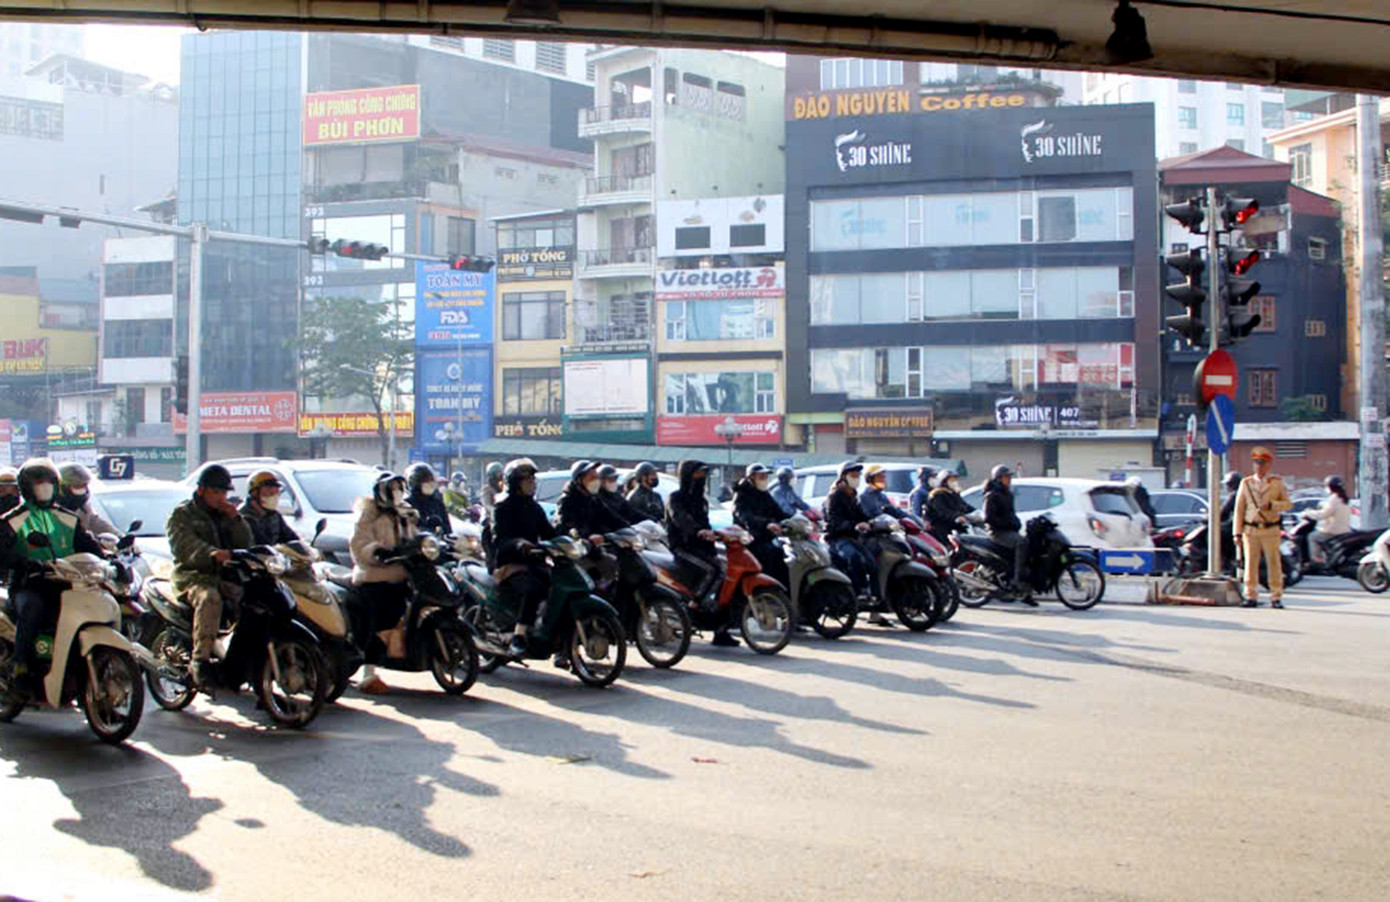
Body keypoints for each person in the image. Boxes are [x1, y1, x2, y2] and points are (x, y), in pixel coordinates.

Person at [0, 459, 105, 700]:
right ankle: (21, 666)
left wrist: (110, 560)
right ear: (27, 487)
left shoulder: (68, 518)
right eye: (39, 484)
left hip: (67, 584)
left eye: (48, 483)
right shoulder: (13, 520)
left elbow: (88, 545)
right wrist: (23, 562)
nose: (44, 489)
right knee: (33, 609)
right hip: (29, 585)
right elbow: (2, 552)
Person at [166, 464, 253, 689]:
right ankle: (200, 662)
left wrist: (236, 520)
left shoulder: (225, 515)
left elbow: (246, 544)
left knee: (255, 602)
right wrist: (212, 554)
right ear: (202, 490)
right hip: (193, 577)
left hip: (226, 576)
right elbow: (184, 546)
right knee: (210, 599)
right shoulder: (183, 514)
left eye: (223, 493)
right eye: (215, 492)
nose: (220, 498)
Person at [347, 472, 419, 693]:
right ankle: (368, 675)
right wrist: (378, 552)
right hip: (375, 577)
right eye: (393, 488)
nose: (397, 492)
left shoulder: (406, 512)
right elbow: (359, 544)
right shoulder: (369, 514)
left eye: (400, 487)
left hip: (403, 574)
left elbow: (415, 536)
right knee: (377, 624)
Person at [490, 459, 556, 657]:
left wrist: (567, 540)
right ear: (515, 482)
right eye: (527, 479)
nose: (532, 483)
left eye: (533, 479)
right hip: (510, 564)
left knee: (557, 584)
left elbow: (548, 532)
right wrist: (520, 544)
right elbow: (500, 539)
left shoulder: (534, 508)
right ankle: (519, 635)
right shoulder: (502, 507)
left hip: (534, 561)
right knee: (534, 589)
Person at [668, 459, 736, 646]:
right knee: (714, 569)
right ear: (688, 475)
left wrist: (718, 536)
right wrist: (697, 530)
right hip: (684, 548)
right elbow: (680, 518)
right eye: (698, 474)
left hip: (702, 547)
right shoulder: (676, 498)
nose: (702, 477)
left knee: (728, 576)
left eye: (704, 474)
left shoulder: (702, 500)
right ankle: (694, 605)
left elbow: (707, 524)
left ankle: (721, 630)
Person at [1233, 447, 1293, 608]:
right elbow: (1239, 509)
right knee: (1250, 564)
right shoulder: (1246, 483)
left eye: (1263, 463)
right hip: (1251, 529)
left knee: (1274, 563)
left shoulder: (1277, 483)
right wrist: (1237, 533)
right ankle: (1250, 595)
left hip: (1270, 528)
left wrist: (1273, 505)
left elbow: (1287, 504)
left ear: (1269, 465)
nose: (1259, 466)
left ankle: (1276, 596)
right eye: (1257, 463)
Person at [823, 461, 877, 612]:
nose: (857, 478)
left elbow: (862, 515)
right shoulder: (834, 496)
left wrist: (870, 523)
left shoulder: (853, 495)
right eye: (853, 475)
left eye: (858, 475)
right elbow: (834, 521)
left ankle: (873, 595)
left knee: (872, 562)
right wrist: (853, 525)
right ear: (844, 477)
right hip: (837, 539)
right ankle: (858, 592)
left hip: (853, 538)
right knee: (853, 558)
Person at [733, 463, 790, 590]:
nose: (764, 479)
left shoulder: (764, 494)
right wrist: (766, 524)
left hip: (766, 538)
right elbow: (745, 516)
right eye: (761, 476)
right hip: (750, 540)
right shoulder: (741, 495)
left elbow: (778, 512)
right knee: (773, 555)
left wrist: (796, 519)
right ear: (751, 478)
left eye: (765, 476)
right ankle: (772, 591)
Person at [983, 464, 1033, 604]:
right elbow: (990, 519)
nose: (1009, 479)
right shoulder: (992, 495)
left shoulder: (1007, 494)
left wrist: (1016, 523)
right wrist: (1008, 524)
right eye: (1006, 477)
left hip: (1009, 530)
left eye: (1009, 476)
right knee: (1021, 542)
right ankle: (1017, 580)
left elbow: (1011, 514)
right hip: (998, 533)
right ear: (998, 479)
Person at [557, 460, 628, 541]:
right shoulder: (567, 501)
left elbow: (610, 517)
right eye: (592, 478)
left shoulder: (594, 499)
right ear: (579, 480)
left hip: (600, 544)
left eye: (597, 477)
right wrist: (587, 536)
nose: (596, 481)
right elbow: (567, 528)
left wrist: (627, 528)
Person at [56, 462, 120, 537]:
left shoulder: (85, 510)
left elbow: (100, 525)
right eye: (77, 486)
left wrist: (121, 538)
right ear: (63, 488)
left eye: (84, 485)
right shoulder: (49, 511)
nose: (82, 491)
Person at [238, 470, 300, 546]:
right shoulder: (245, 517)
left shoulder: (275, 516)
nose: (274, 494)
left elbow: (292, 539)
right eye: (269, 490)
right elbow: (262, 545)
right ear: (254, 493)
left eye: (276, 491)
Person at [1305, 475, 1351, 565]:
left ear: (1330, 487)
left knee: (1312, 537)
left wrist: (1309, 512)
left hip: (1332, 531)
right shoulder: (1343, 499)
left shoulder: (1333, 499)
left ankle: (1317, 561)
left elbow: (1323, 514)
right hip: (1343, 529)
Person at [927, 471, 975, 542]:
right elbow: (943, 512)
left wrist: (977, 512)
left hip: (958, 527)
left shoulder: (954, 493)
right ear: (944, 482)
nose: (955, 482)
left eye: (955, 480)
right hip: (944, 529)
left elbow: (965, 506)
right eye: (952, 480)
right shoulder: (937, 495)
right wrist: (957, 516)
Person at [405, 462, 450, 534]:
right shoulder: (407, 505)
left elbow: (447, 529)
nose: (431, 484)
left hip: (438, 542)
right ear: (416, 484)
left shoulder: (438, 504)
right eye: (427, 482)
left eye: (432, 481)